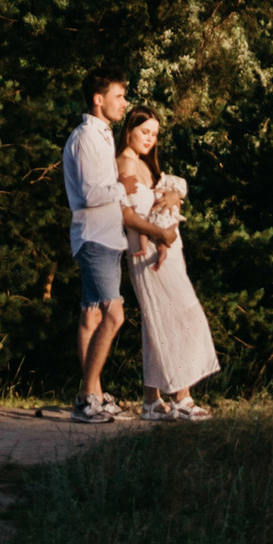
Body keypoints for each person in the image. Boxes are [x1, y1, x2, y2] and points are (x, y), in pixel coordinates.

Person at [117, 108, 218, 417]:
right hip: (146, 251)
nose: (150, 138)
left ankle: (151, 400)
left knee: (157, 321)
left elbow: (163, 193)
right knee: (179, 315)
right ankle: (182, 396)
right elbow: (127, 215)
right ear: (130, 130)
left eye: (155, 134)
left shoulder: (146, 165)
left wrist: (174, 197)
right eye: (145, 131)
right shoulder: (124, 164)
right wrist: (161, 233)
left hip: (165, 248)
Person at [60, 70, 130, 419]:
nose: (125, 103)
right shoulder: (86, 136)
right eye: (119, 96)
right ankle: (87, 397)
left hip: (106, 236)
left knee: (92, 315)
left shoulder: (103, 135)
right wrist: (123, 188)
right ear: (97, 99)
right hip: (94, 237)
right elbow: (88, 195)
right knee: (114, 315)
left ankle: (96, 395)